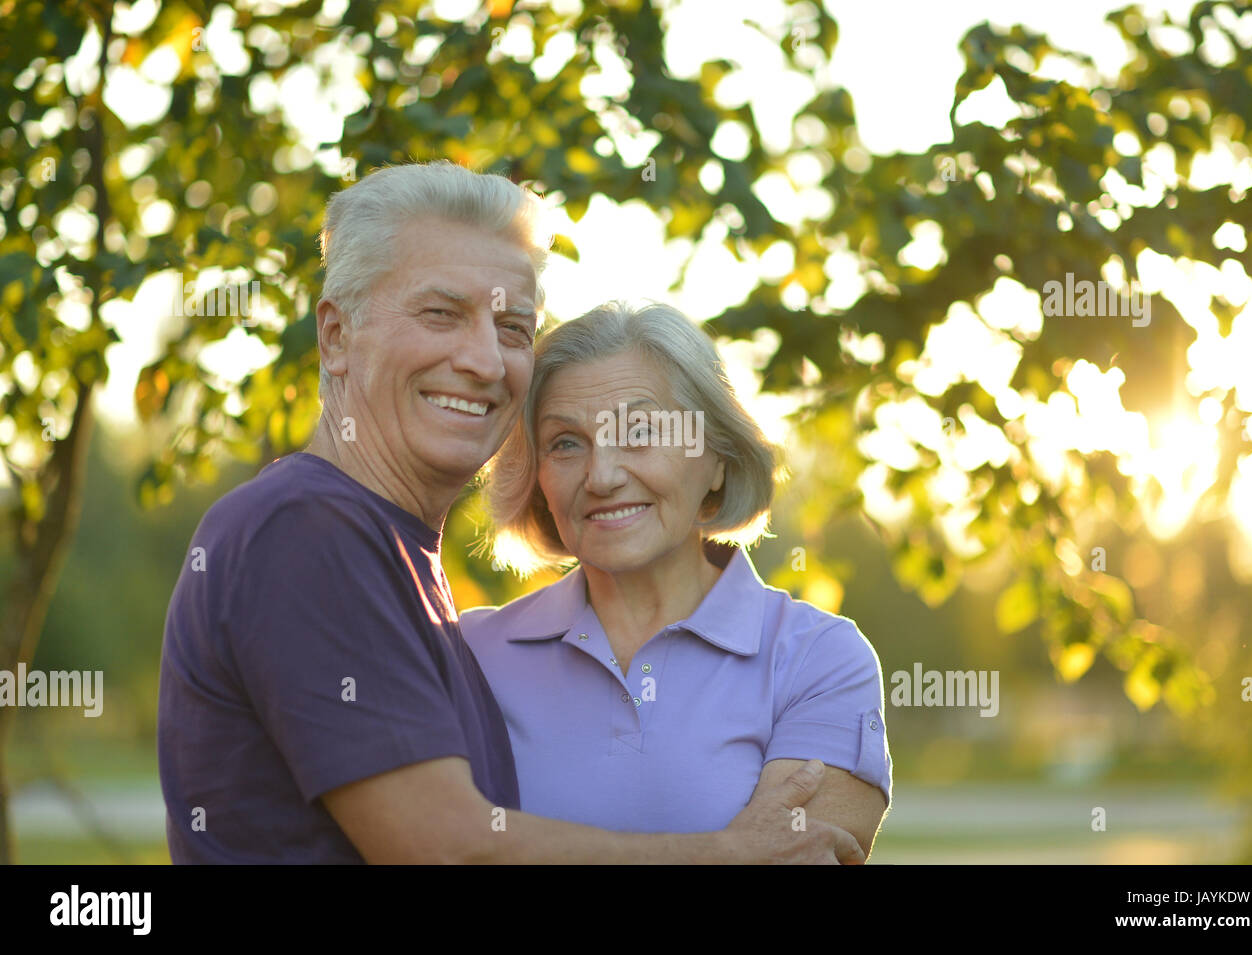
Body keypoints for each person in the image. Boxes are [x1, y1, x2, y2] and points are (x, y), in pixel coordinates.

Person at [157, 160, 863, 864]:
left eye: (513, 326)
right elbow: (449, 849)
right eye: (442, 313)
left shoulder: (409, 576)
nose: (485, 360)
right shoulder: (307, 529)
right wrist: (725, 853)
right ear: (337, 337)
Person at [461, 301, 892, 854]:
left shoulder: (820, 659)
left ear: (717, 460)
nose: (603, 475)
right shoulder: (467, 653)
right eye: (566, 442)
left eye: (639, 432)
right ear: (537, 476)